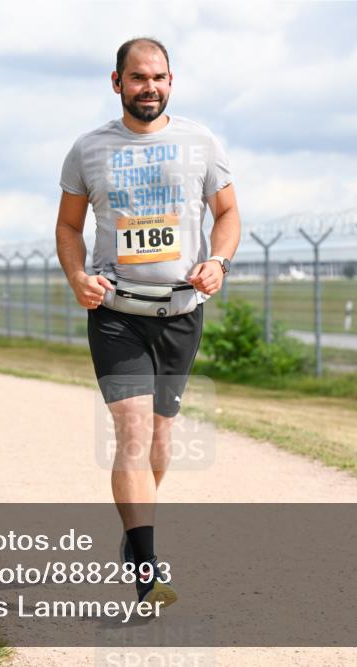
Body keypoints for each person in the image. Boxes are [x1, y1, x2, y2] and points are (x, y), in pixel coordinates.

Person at [55, 37, 241, 608]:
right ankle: (148, 566)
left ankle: (136, 537)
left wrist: (218, 261)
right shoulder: (88, 150)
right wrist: (76, 275)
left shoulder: (200, 142)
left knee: (161, 439)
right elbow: (67, 228)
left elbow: (228, 213)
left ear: (171, 81)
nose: (150, 88)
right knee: (132, 433)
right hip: (116, 313)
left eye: (159, 77)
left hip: (180, 313)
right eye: (138, 78)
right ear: (117, 83)